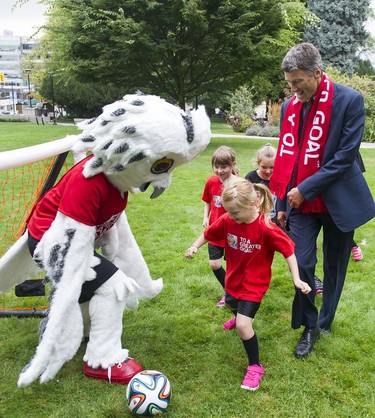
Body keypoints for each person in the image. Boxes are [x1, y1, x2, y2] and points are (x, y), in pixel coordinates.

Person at [269, 42, 375, 359]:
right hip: (300, 203)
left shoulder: (350, 101)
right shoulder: (290, 108)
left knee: (335, 267)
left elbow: (343, 158)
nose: (293, 90)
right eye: (289, 83)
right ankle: (310, 326)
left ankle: (325, 322)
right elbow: (287, 157)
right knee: (301, 263)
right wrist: (282, 203)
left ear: (317, 73)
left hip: (338, 200)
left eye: (298, 82)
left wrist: (306, 188)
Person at [185, 178, 311, 391]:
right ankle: (237, 317)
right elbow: (208, 233)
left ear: (252, 205)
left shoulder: (266, 228)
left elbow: (289, 251)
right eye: (230, 213)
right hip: (233, 280)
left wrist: (297, 279)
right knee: (232, 305)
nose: (231, 217)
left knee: (245, 326)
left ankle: (255, 366)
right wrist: (194, 246)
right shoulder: (228, 220)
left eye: (235, 213)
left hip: (255, 284)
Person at [201, 145, 239, 307]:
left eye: (224, 167)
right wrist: (205, 217)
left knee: (233, 267)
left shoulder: (238, 184)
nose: (219, 170)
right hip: (215, 230)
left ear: (233, 165)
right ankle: (230, 291)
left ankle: (232, 295)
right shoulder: (211, 181)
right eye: (216, 166)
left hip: (233, 231)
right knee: (214, 264)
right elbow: (208, 201)